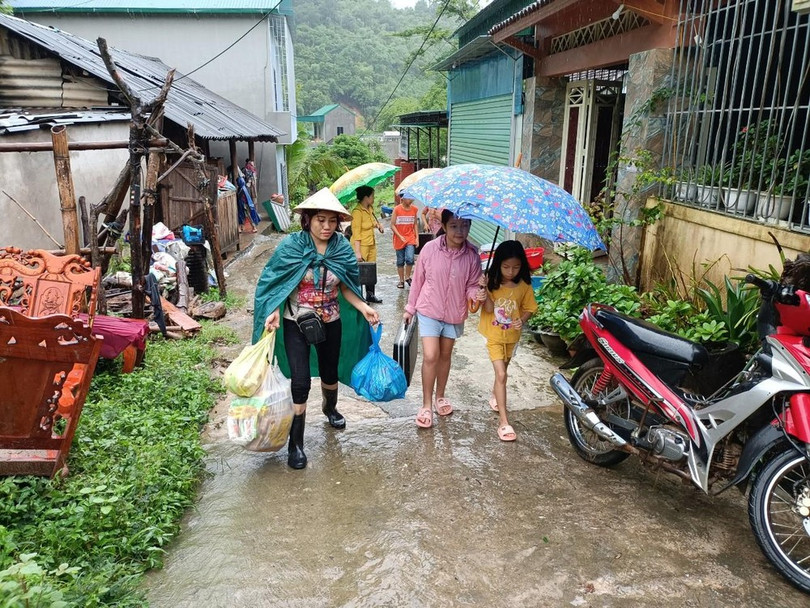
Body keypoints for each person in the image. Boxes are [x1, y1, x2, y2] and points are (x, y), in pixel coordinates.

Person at [252, 188, 380, 469]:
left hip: (331, 321)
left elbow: (346, 286)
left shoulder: (342, 249)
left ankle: (330, 407)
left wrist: (364, 307)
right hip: (295, 322)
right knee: (300, 382)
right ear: (307, 219)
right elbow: (277, 285)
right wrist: (273, 310)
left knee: (330, 372)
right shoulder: (291, 247)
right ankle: (295, 443)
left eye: (332, 221)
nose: (326, 226)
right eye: (320, 220)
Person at [403, 209, 482, 428]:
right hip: (429, 308)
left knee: (445, 355)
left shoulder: (472, 255)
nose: (460, 231)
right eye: (455, 226)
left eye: (465, 225)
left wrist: (477, 293)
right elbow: (418, 279)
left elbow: (472, 285)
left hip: (454, 312)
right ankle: (426, 404)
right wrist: (410, 308)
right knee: (431, 355)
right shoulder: (429, 249)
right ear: (444, 227)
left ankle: (440, 396)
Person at [475, 240, 537, 442]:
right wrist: (483, 293)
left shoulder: (524, 286)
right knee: (501, 374)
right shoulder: (490, 281)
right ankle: (504, 422)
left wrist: (522, 319)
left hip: (512, 337)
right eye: (506, 267)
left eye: (516, 267)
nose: (511, 272)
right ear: (498, 264)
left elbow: (529, 308)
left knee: (503, 372)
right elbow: (489, 309)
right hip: (494, 336)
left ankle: (495, 396)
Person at [350, 185, 385, 303]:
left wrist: (378, 225)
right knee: (361, 271)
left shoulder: (370, 209)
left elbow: (371, 222)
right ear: (366, 197)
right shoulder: (357, 212)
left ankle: (370, 295)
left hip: (371, 244)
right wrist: (357, 251)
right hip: (362, 246)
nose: (374, 198)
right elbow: (356, 233)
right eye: (372, 196)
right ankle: (359, 297)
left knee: (371, 271)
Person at [390, 194, 419, 288]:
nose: (411, 200)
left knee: (410, 259)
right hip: (399, 239)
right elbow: (392, 225)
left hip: (410, 237)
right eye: (409, 198)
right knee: (400, 261)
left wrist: (417, 238)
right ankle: (401, 281)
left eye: (412, 197)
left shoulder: (414, 209)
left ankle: (407, 277)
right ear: (403, 198)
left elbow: (415, 224)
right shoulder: (397, 209)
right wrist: (399, 236)